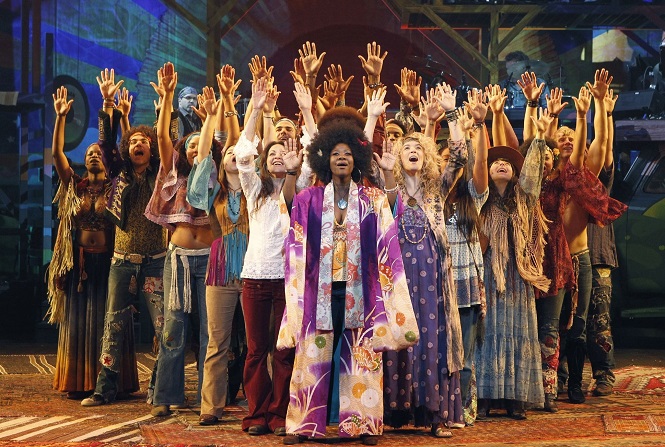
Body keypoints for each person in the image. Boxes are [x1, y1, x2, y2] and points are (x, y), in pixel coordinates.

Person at [277, 121, 418, 446]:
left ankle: (364, 423)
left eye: (347, 153)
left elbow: (391, 216)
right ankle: (301, 425)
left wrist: (389, 174)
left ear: (357, 159)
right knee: (311, 355)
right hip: (318, 290)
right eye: (335, 153)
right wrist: (291, 173)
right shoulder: (310, 198)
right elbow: (289, 209)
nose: (341, 157)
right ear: (325, 159)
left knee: (363, 355)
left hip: (361, 292)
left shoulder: (371, 197)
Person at [382, 84, 468, 438]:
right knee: (397, 339)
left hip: (432, 280)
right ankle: (395, 411)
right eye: (407, 148)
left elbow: (459, 158)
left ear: (428, 155)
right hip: (398, 280)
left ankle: (434, 414)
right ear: (398, 157)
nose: (413, 151)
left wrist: (452, 115)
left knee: (432, 340)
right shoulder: (390, 190)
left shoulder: (436, 189)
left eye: (419, 147)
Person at [81, 69, 167, 407]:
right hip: (122, 264)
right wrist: (107, 104)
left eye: (143, 141)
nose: (138, 144)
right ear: (127, 149)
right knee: (113, 326)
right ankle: (104, 389)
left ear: (151, 148)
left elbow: (168, 141)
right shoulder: (119, 174)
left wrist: (165, 106)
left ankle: (159, 389)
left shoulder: (162, 174)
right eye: (132, 141)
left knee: (163, 327)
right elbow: (105, 145)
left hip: (156, 264)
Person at [145, 62, 220, 416]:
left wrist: (210, 120)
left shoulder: (213, 178)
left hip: (210, 261)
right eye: (188, 145)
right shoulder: (173, 175)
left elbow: (207, 152)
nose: (193, 149)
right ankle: (166, 397)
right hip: (178, 261)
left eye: (197, 145)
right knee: (173, 331)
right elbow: (163, 137)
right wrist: (168, 97)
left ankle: (208, 401)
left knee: (209, 334)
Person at [48, 86, 132, 399]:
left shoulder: (116, 186)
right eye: (89, 154)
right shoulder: (75, 185)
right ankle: (78, 380)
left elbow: (119, 151)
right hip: (81, 265)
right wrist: (60, 117)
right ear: (83, 162)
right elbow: (57, 155)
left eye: (98, 152)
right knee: (79, 321)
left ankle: (111, 381)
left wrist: (113, 110)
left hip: (110, 263)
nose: (94, 154)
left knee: (109, 320)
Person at [475, 113, 553, 420]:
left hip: (517, 277)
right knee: (487, 333)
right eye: (495, 162)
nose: (501, 164)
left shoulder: (524, 198)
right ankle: (483, 396)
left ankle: (515, 398)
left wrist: (540, 137)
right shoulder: (479, 200)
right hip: (488, 274)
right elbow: (474, 167)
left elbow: (533, 171)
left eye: (507, 163)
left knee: (517, 333)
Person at [234, 77, 296, 437]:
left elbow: (303, 166)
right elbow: (243, 155)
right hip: (255, 278)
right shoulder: (254, 190)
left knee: (284, 350)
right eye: (270, 153)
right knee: (256, 350)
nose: (275, 155)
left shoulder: (297, 191)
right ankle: (257, 413)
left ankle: (279, 414)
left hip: (287, 280)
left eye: (281, 153)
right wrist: (255, 110)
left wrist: (294, 165)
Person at [189, 65, 247, 426]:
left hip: (256, 267)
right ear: (221, 162)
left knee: (261, 343)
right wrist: (211, 118)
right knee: (217, 341)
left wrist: (233, 107)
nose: (234, 155)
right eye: (228, 154)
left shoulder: (258, 190)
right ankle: (211, 406)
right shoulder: (214, 193)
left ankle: (264, 404)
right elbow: (200, 162)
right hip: (221, 268)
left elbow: (244, 144)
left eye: (239, 154)